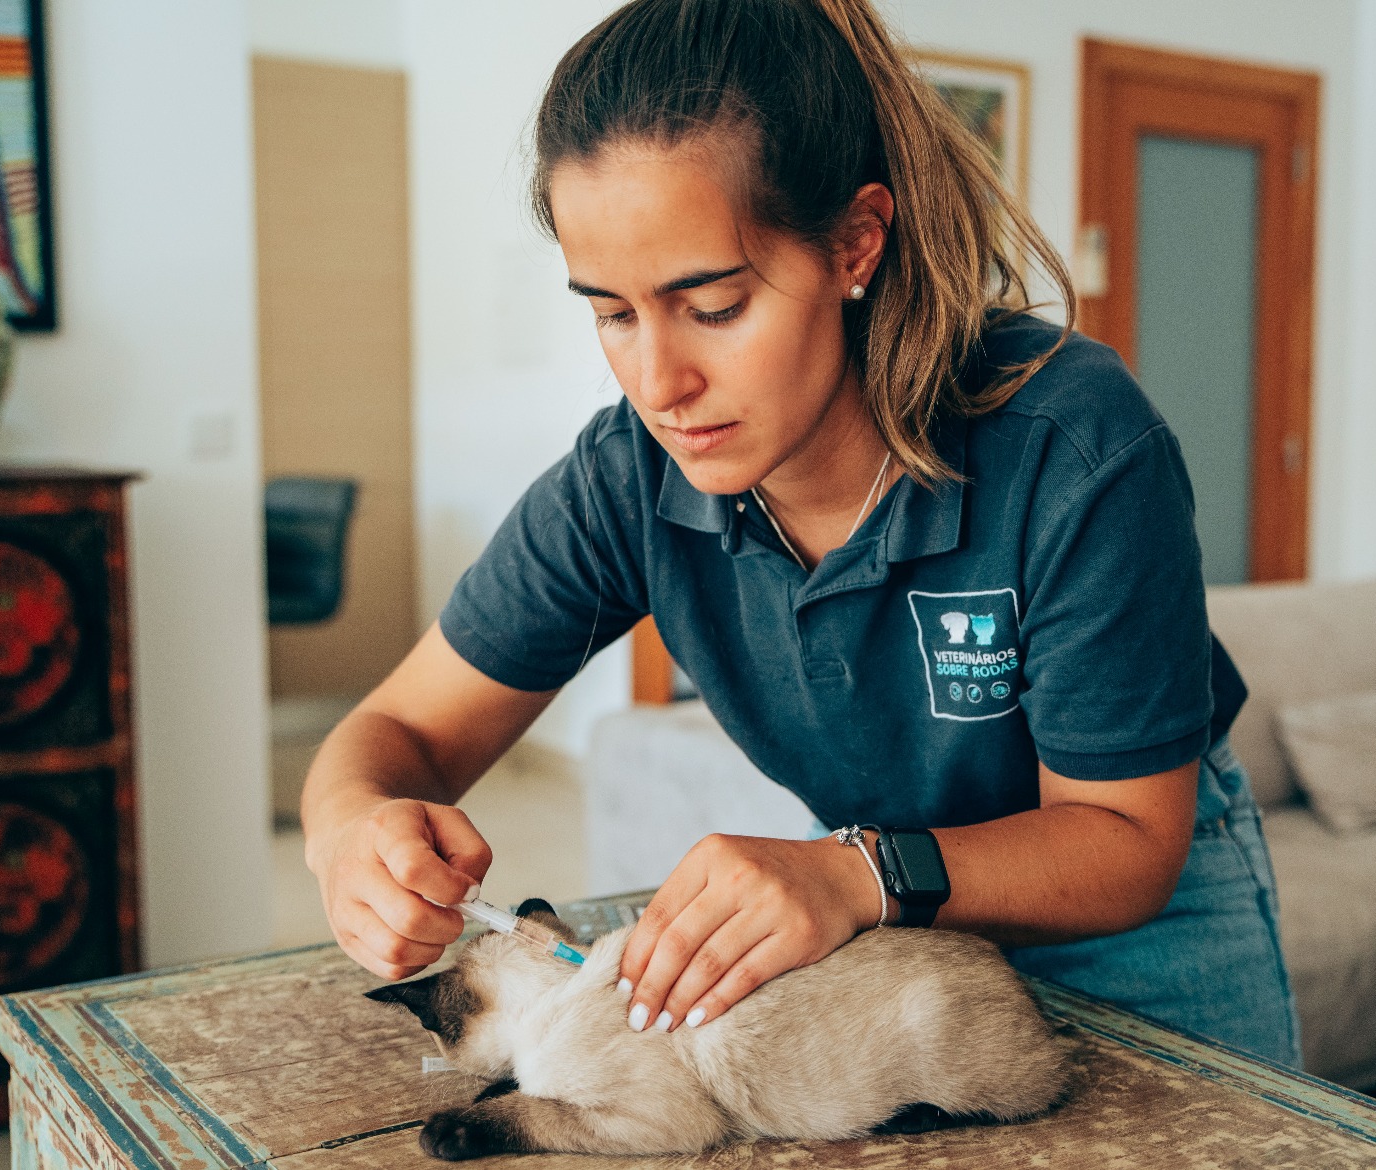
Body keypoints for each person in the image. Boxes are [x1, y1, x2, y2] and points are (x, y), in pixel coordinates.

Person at [301, 0, 1300, 1067]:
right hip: (887, 928)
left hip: (1134, 931)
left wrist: (849, 873)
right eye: (611, 313)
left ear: (853, 244)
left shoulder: (1071, 443)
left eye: (714, 305)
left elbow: (1125, 844)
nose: (657, 383)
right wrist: (352, 832)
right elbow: (397, 732)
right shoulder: (625, 479)